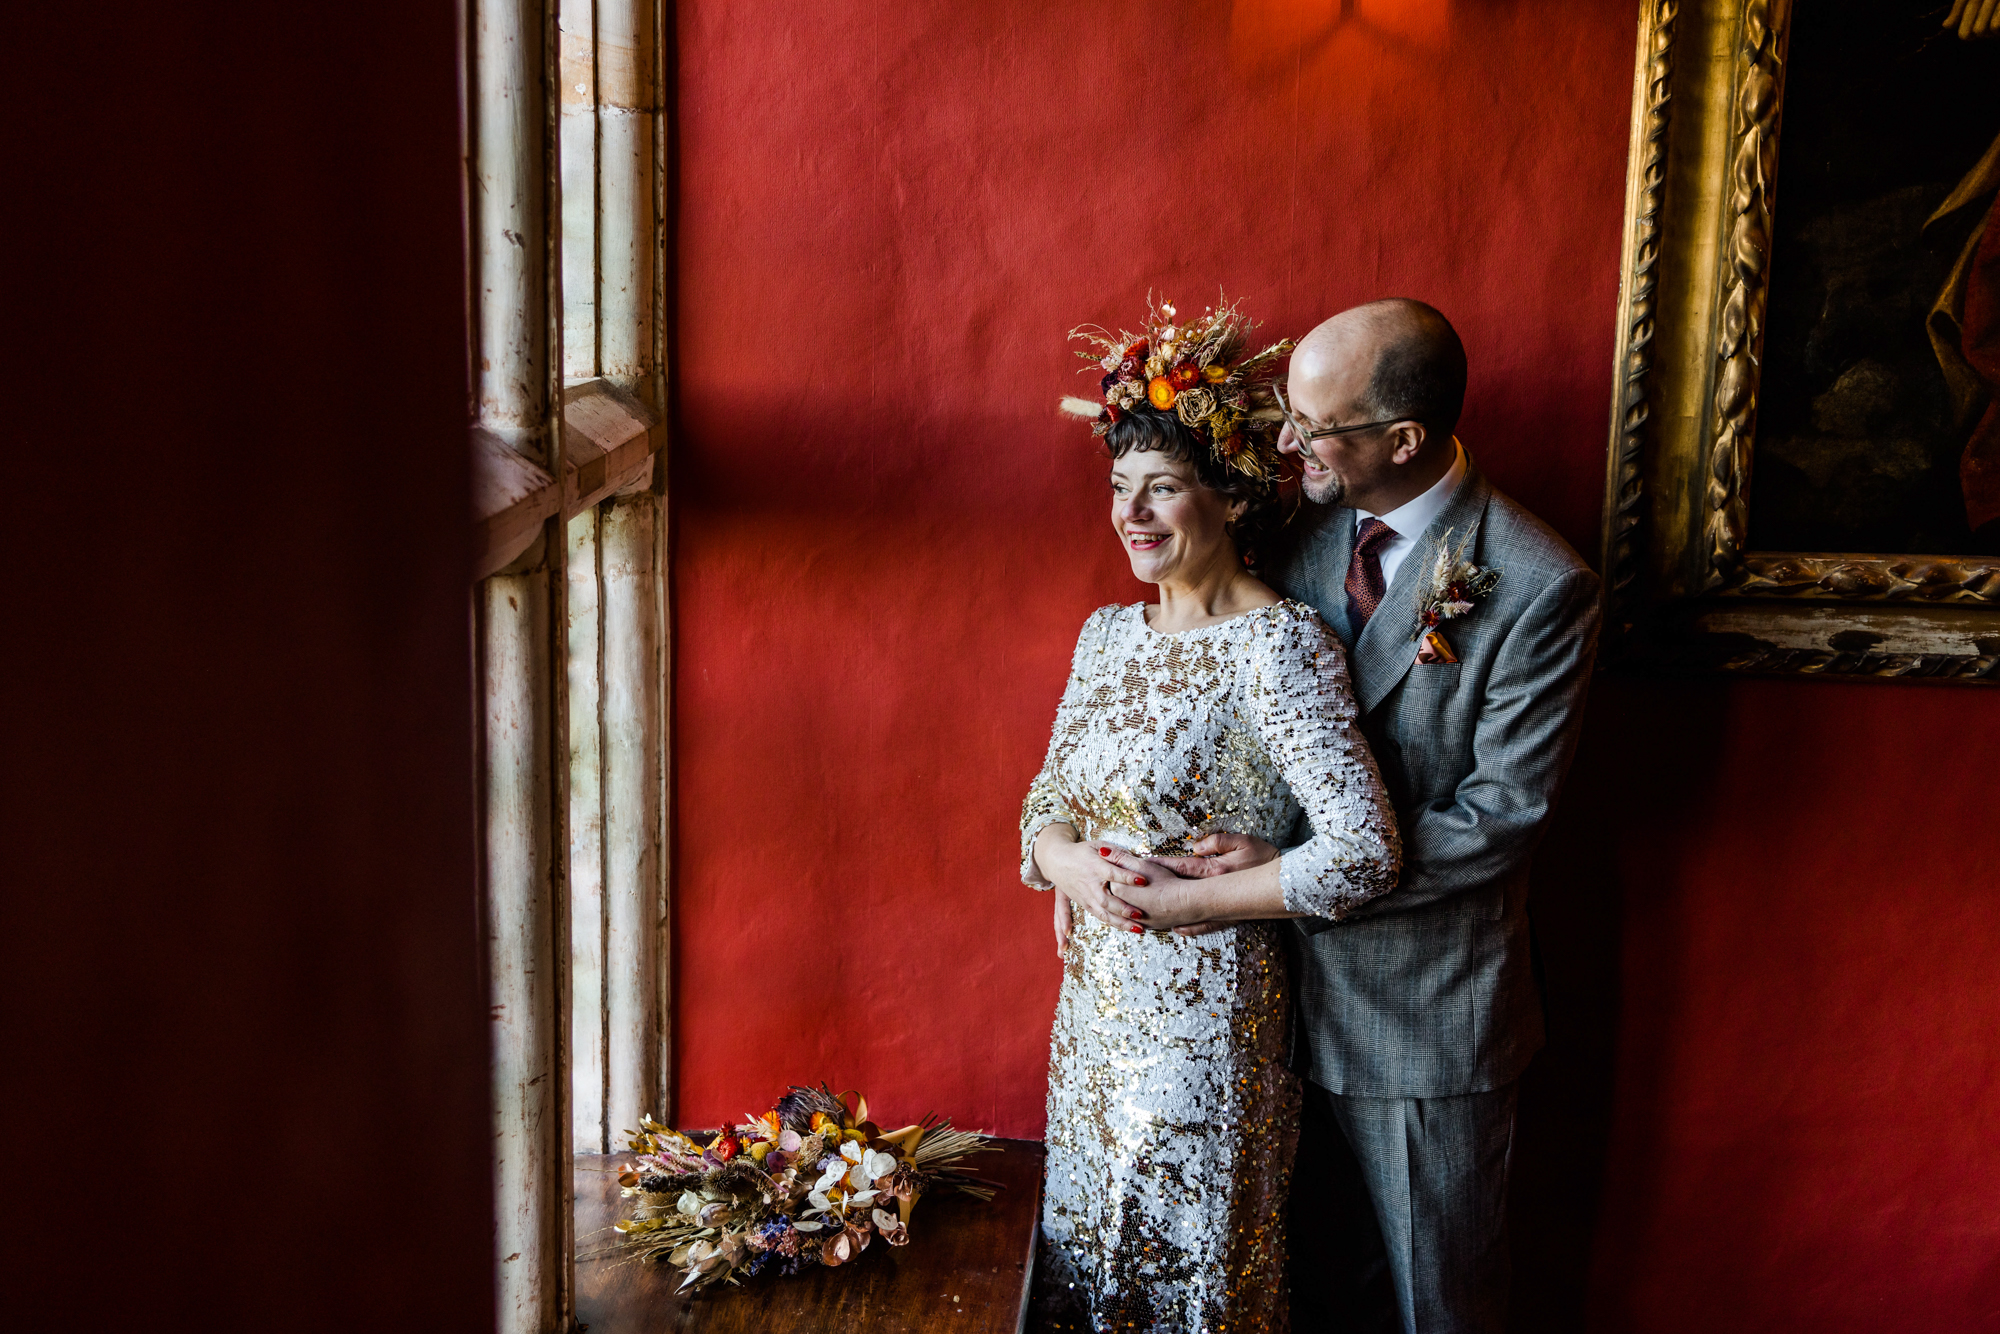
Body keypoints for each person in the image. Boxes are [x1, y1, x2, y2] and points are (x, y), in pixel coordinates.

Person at [1119, 299, 1601, 1333]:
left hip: (1422, 1015)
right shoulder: (1296, 529)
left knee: (1436, 1303)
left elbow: (1499, 816)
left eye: (1313, 426)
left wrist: (1290, 871)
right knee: (1302, 1290)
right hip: (1263, 1004)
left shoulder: (1538, 583)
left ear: (1403, 440)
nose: (1287, 444)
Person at [1022, 297, 1401, 1333]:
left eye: (1161, 487)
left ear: (1230, 496)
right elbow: (1044, 803)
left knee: (1190, 1275)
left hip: (1208, 1022)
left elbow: (1364, 853)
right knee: (1090, 1258)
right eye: (1119, 488)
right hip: (1090, 1015)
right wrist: (1067, 866)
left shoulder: (1279, 645)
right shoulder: (1106, 636)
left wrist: (1191, 904)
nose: (1131, 514)